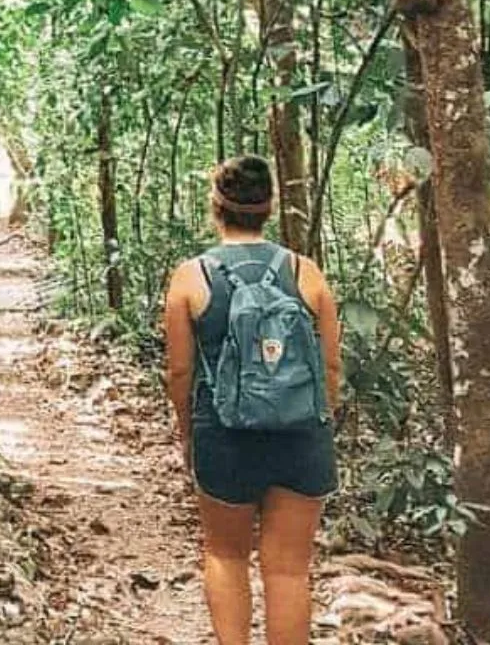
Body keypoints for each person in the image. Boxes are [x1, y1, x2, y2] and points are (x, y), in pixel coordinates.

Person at [164, 155, 341, 645]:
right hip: (301, 435)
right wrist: (317, 420)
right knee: (288, 571)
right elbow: (329, 367)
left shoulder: (190, 277)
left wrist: (187, 432)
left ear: (215, 207)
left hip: (224, 434)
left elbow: (180, 371)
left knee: (226, 556)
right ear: (271, 208)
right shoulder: (307, 273)